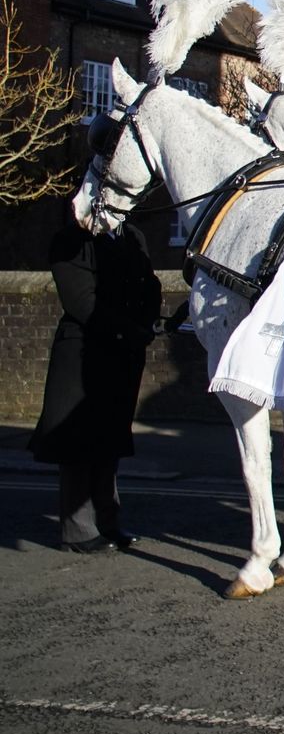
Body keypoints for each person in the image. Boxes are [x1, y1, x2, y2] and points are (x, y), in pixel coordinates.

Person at [29, 222, 161, 553]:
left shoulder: (134, 236)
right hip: (83, 352)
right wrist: (128, 330)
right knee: (78, 444)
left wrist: (146, 322)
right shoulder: (71, 240)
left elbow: (149, 284)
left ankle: (108, 522)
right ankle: (78, 531)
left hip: (123, 354)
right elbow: (81, 301)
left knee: (110, 442)